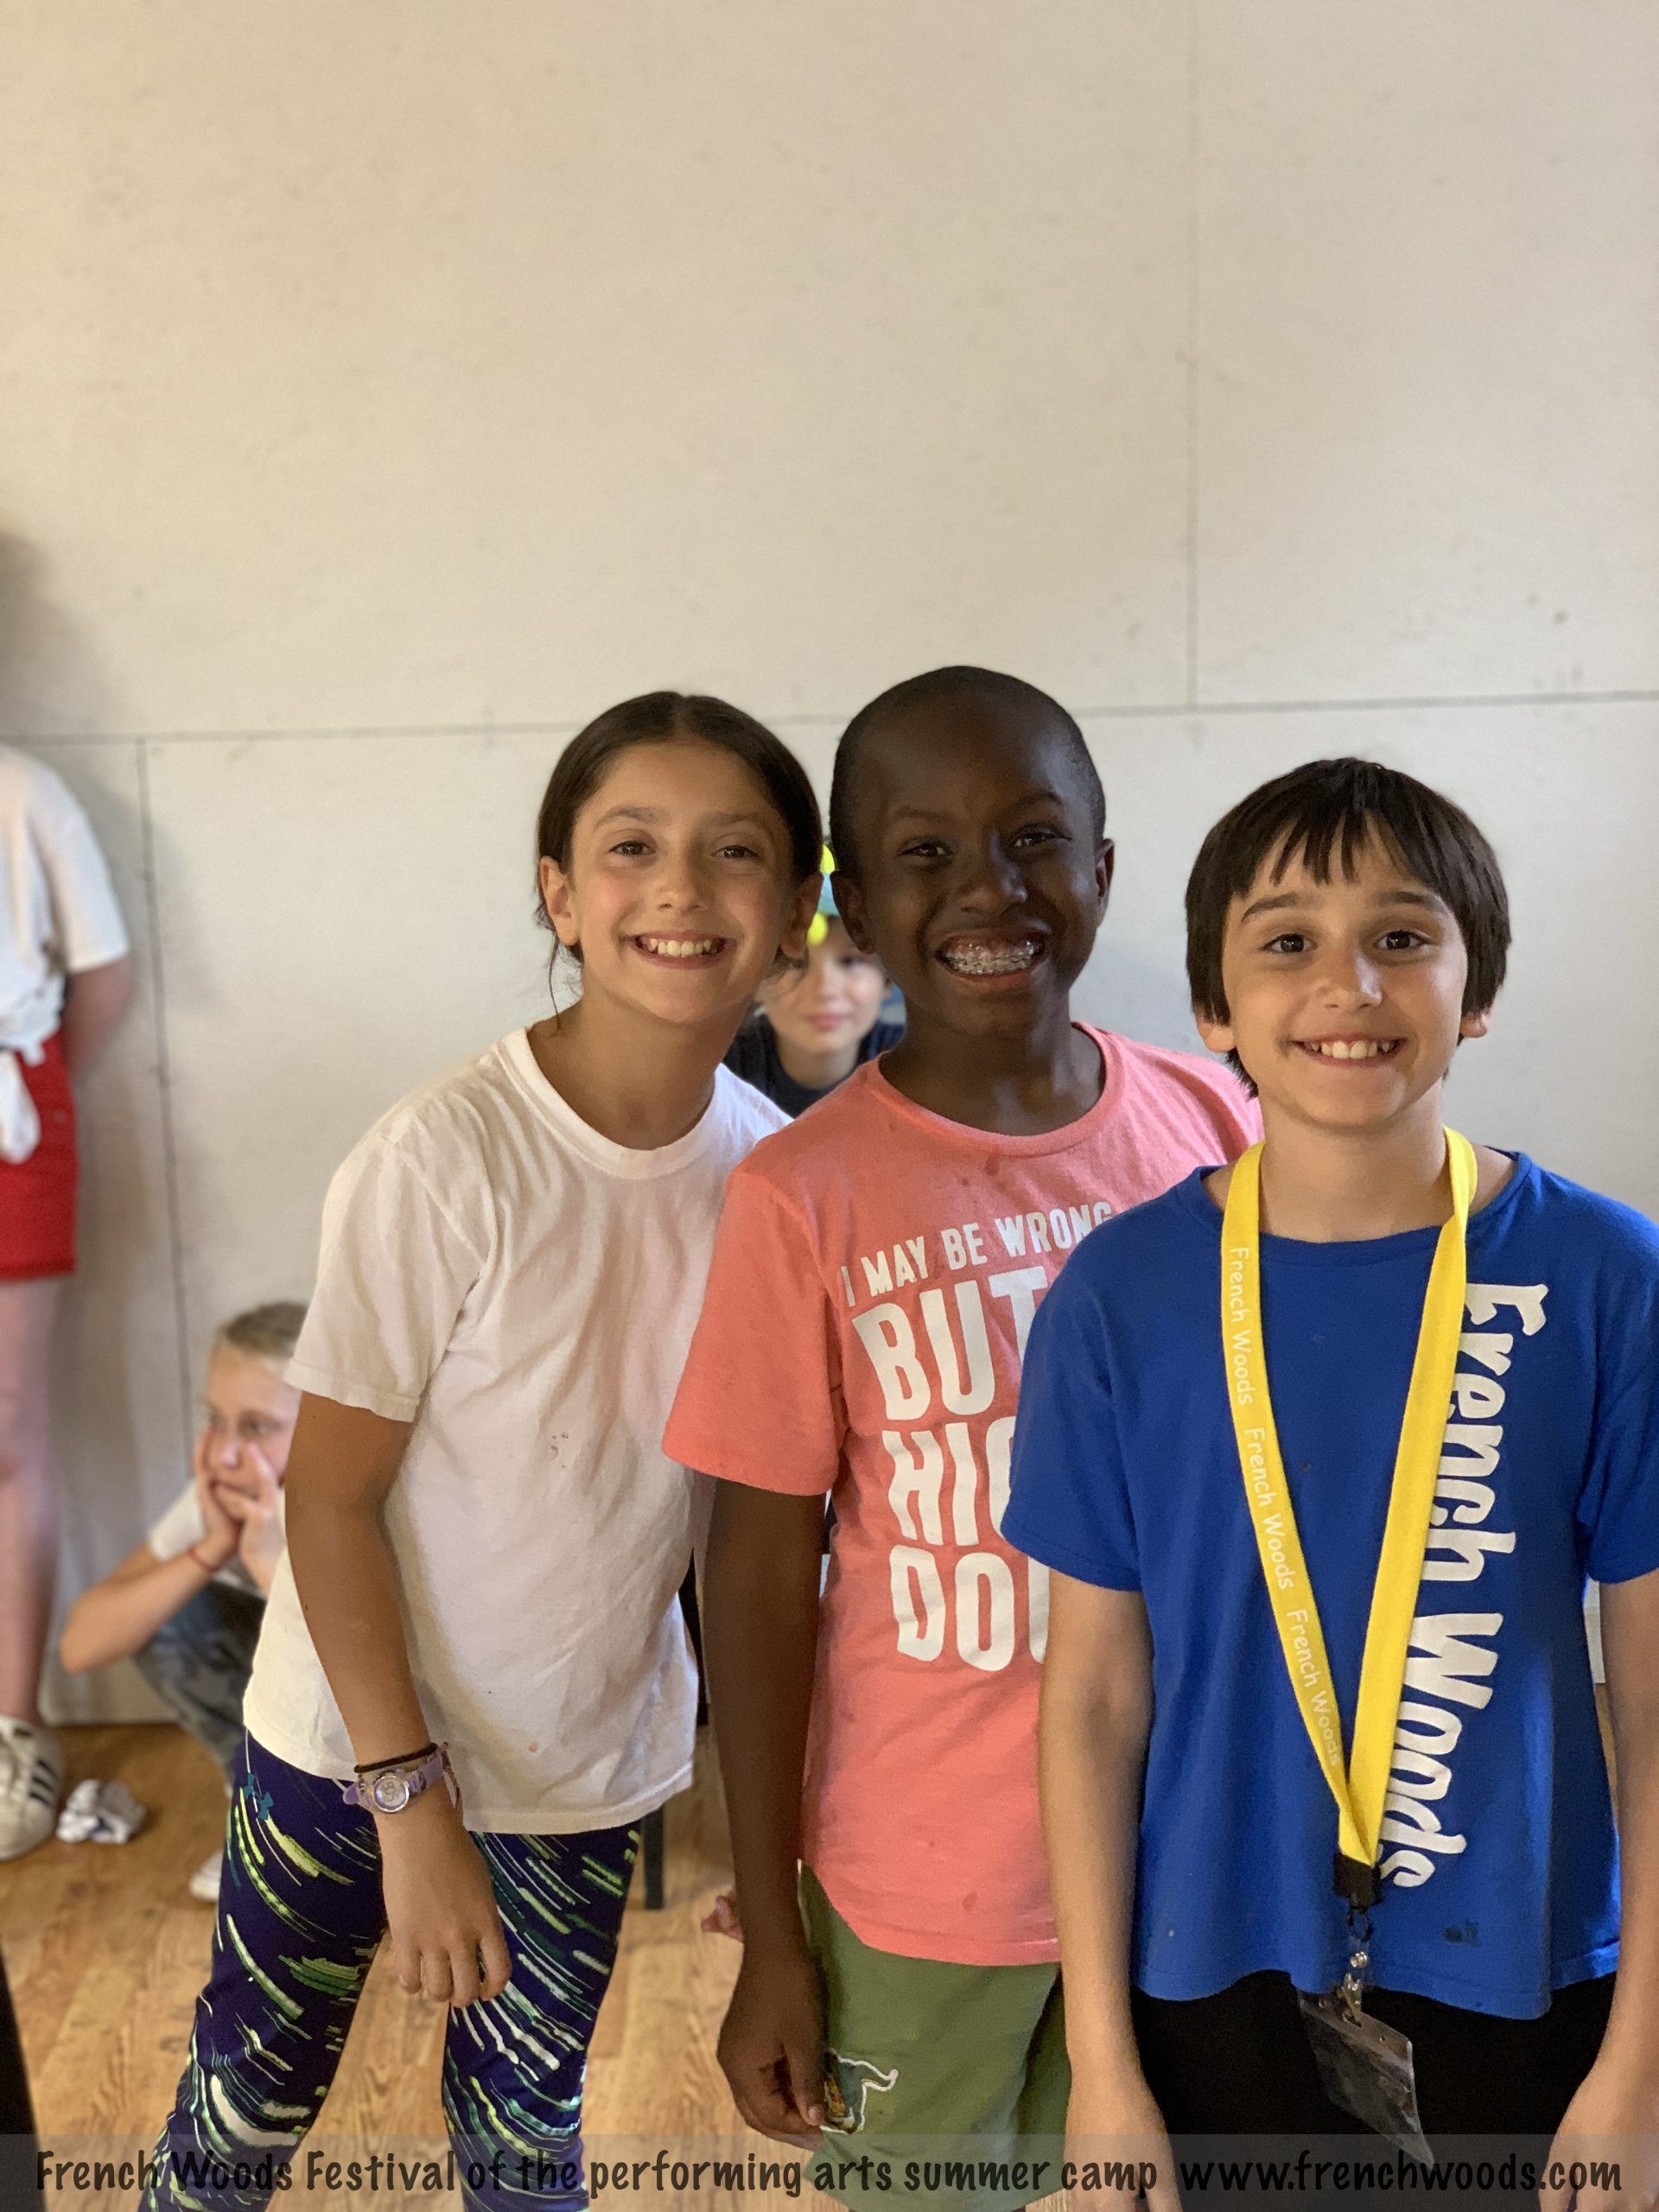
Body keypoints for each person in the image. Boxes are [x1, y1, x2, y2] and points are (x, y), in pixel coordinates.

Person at [142, 692, 821, 2212]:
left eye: (734, 851)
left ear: (794, 915)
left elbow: (748, 1541)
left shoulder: (774, 1179)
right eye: (632, 846)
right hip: (347, 1754)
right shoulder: (442, 1156)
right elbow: (329, 1499)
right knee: (242, 2114)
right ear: (560, 894)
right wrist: (412, 1805)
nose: (680, 887)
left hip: (581, 1772)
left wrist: (787, 1850)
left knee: (527, 2146)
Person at [1006, 758, 1659, 2205]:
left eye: (1403, 937)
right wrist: (1104, 2068)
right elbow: (1095, 1697)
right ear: (1214, 1006)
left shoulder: (1607, 1277)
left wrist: (1642, 2065)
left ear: (1476, 987)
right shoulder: (1120, 1300)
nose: (1347, 985)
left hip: (1527, 1970)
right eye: (1288, 941)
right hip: (1211, 1967)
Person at [664, 667, 1259, 2212]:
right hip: (931, 1878)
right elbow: (753, 1578)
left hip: (1194, 1853)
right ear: (854, 905)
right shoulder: (801, 1194)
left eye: (1033, 838)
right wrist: (775, 1925)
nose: (989, 888)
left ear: (1103, 869)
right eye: (925, 852)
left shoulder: (1219, 1129)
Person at [59, 1300, 306, 1903]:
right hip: (303, 1713)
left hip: (393, 1738)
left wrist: (270, 1564)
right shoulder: (228, 1492)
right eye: (216, 1420)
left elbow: (365, 1681)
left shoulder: (365, 1505)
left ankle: (337, 1832)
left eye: (257, 1426)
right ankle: (259, 1810)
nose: (224, 1454)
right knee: (167, 1609)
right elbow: (81, 1646)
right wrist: (211, 1548)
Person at [0, 745, 133, 1860]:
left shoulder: (23, 789)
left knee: (6, 1432)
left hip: (12, 1107)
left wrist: (36, 1092)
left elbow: (105, 976)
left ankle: (13, 1725)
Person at [724, 857, 902, 1116]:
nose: (825, 989)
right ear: (757, 982)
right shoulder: (720, 1071)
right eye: (796, 963)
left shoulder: (918, 1066)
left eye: (850, 961)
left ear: (887, 978)